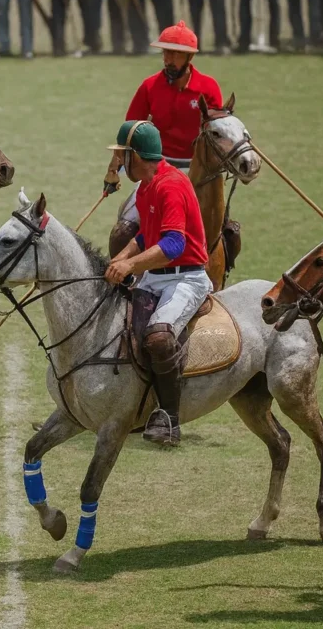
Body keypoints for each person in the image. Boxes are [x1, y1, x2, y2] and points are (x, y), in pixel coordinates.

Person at [104, 120, 211, 447]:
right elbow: (145, 235)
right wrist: (121, 257)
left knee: (159, 337)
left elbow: (174, 245)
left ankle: (168, 418)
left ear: (136, 155)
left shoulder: (170, 185)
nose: (119, 162)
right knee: (119, 320)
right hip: (155, 276)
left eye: (123, 155)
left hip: (186, 277)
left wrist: (130, 265)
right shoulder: (147, 185)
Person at [105, 20, 223, 257]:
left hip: (199, 172)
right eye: (166, 52)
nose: (168, 59)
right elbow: (128, 133)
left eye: (175, 54)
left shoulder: (208, 88)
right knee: (123, 230)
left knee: (229, 232)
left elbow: (220, 131)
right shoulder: (150, 86)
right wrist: (113, 170)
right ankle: (121, 286)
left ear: (189, 57)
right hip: (156, 169)